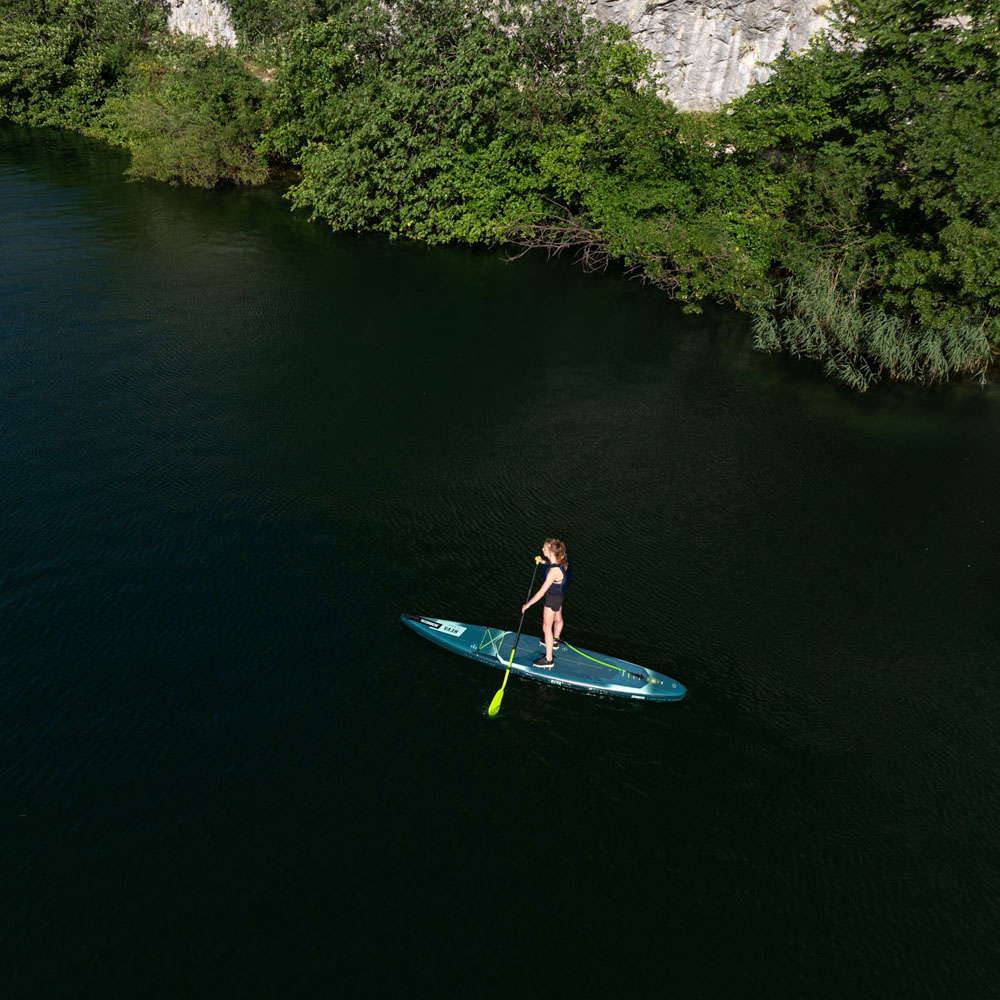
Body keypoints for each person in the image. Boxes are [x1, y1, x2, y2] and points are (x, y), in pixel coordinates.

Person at [521, 538, 570, 668]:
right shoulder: (562, 560)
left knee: (546, 627)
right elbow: (552, 563)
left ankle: (548, 659)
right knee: (558, 618)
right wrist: (543, 562)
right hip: (559, 596)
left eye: (544, 548)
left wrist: (528, 604)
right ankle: (555, 642)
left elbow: (541, 592)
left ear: (550, 552)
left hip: (552, 599)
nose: (542, 549)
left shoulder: (553, 572)